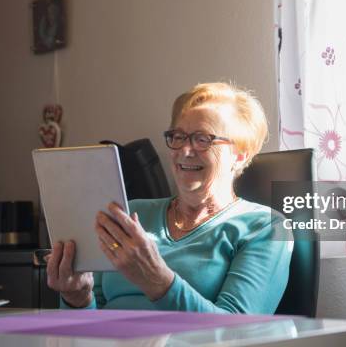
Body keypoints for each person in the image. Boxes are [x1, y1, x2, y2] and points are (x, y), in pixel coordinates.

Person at [45, 82, 293, 314]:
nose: (185, 151)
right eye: (178, 137)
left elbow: (235, 332)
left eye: (202, 139)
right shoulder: (130, 214)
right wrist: (78, 299)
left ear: (240, 154)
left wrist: (156, 279)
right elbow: (90, 327)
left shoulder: (265, 227)